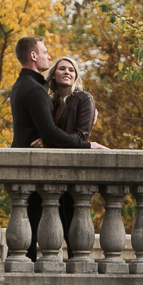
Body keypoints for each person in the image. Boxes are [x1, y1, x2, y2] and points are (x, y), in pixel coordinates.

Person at [9, 37, 103, 262]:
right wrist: (88, 146)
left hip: (46, 167)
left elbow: (58, 131)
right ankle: (28, 270)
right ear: (33, 55)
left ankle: (31, 266)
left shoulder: (23, 86)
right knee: (31, 222)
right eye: (45, 52)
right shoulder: (36, 90)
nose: (48, 56)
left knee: (39, 220)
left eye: (71, 69)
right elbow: (50, 132)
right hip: (34, 166)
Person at [47, 55, 98, 145]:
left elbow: (82, 136)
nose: (67, 72)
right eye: (62, 69)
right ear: (53, 75)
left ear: (75, 77)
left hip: (74, 156)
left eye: (71, 70)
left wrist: (48, 142)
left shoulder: (84, 99)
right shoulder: (51, 102)